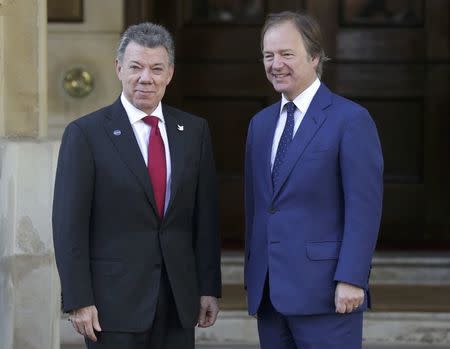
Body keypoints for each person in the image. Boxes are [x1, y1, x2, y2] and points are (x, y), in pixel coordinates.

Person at [52, 22, 221, 349]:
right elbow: (69, 225)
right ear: (119, 68)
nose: (146, 78)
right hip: (111, 305)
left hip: (177, 300)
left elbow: (205, 218)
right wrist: (78, 298)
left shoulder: (195, 131)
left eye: (157, 68)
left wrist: (208, 287)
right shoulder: (86, 134)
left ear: (170, 73)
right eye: (136, 67)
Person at [244, 11, 383, 349]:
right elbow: (257, 207)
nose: (276, 64)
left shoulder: (350, 119)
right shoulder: (259, 125)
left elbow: (363, 208)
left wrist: (352, 278)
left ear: (315, 56)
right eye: (268, 55)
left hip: (328, 294)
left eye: (286, 54)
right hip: (270, 295)